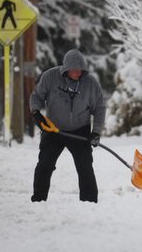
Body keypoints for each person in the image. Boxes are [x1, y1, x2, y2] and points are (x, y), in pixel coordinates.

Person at [29, 49, 106, 203]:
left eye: (81, 70)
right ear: (65, 70)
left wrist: (96, 132)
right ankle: (38, 200)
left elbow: (99, 108)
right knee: (45, 164)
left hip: (79, 130)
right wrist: (36, 113)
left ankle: (89, 202)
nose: (79, 72)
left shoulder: (90, 83)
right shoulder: (50, 77)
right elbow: (36, 96)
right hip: (53, 129)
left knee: (85, 166)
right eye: (75, 70)